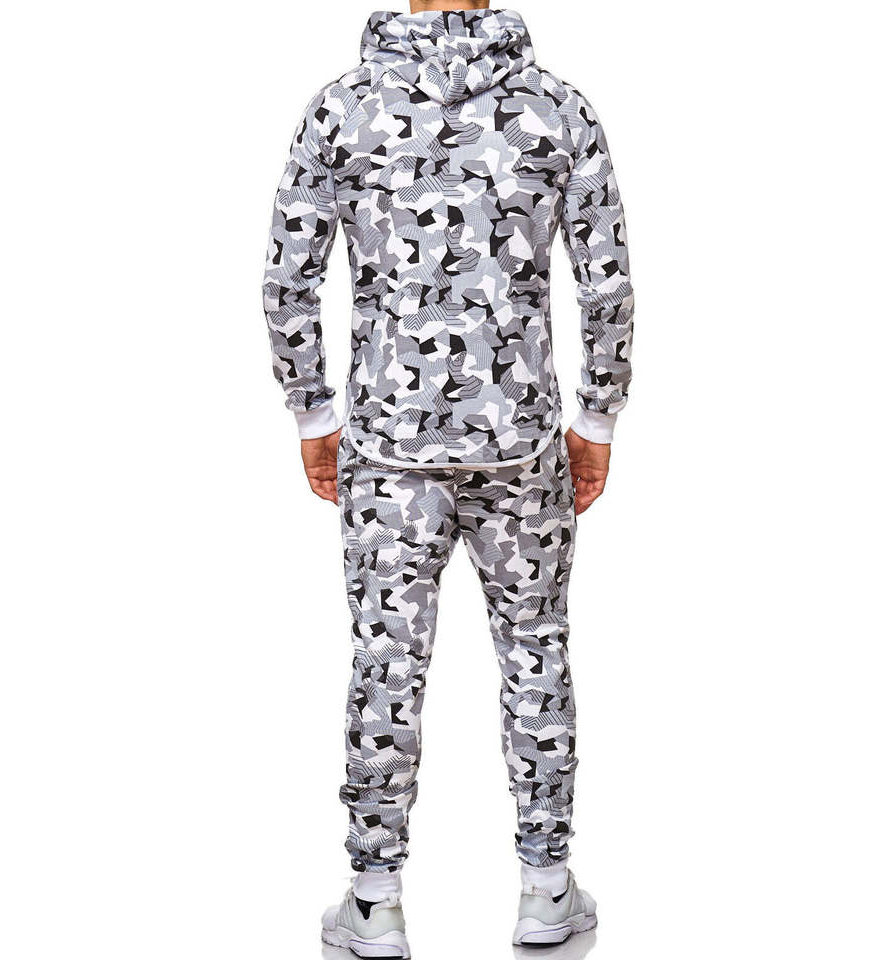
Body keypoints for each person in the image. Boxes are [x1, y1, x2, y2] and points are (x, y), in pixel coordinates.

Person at [261, 1, 633, 954]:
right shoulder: (558, 109)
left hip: (388, 451)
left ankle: (374, 899)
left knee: (385, 662)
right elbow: (605, 283)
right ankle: (546, 889)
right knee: (536, 652)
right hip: (523, 448)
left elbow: (289, 280)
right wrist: (597, 416)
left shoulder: (342, 109)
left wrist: (314, 413)